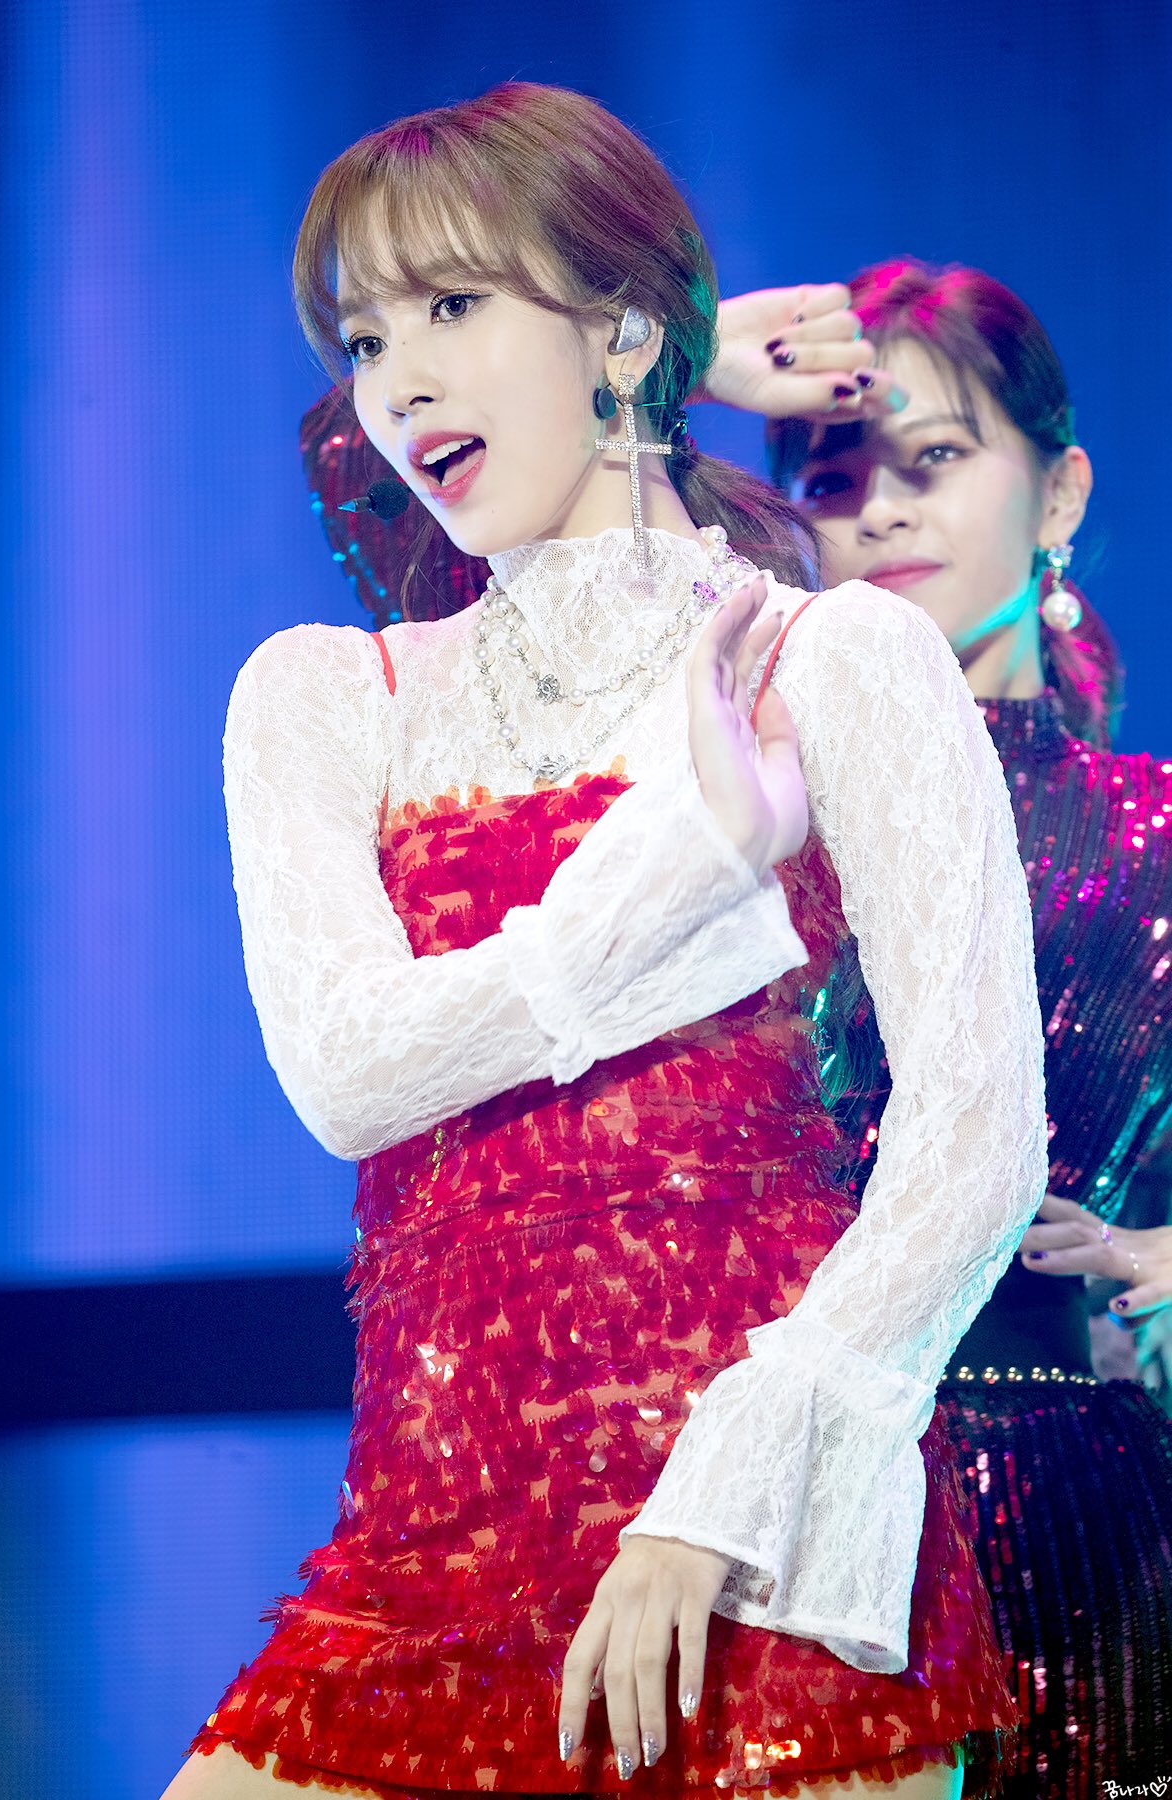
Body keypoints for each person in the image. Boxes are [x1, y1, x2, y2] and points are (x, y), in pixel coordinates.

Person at [164, 95, 1048, 1799]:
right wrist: (687, 863)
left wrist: (719, 1502)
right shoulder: (326, 697)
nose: (398, 383)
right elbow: (349, 1076)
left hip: (764, 1548)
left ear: (626, 334)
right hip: (423, 1567)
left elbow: (976, 1138)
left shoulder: (834, 658)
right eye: (367, 338)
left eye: (451, 306)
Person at [757, 258, 1172, 1797]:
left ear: (1058, 494)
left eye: (933, 459)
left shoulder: (1151, 832)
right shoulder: (742, 822)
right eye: (833, 476)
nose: (880, 511)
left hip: (1061, 1514)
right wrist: (679, 367)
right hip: (768, 1498)